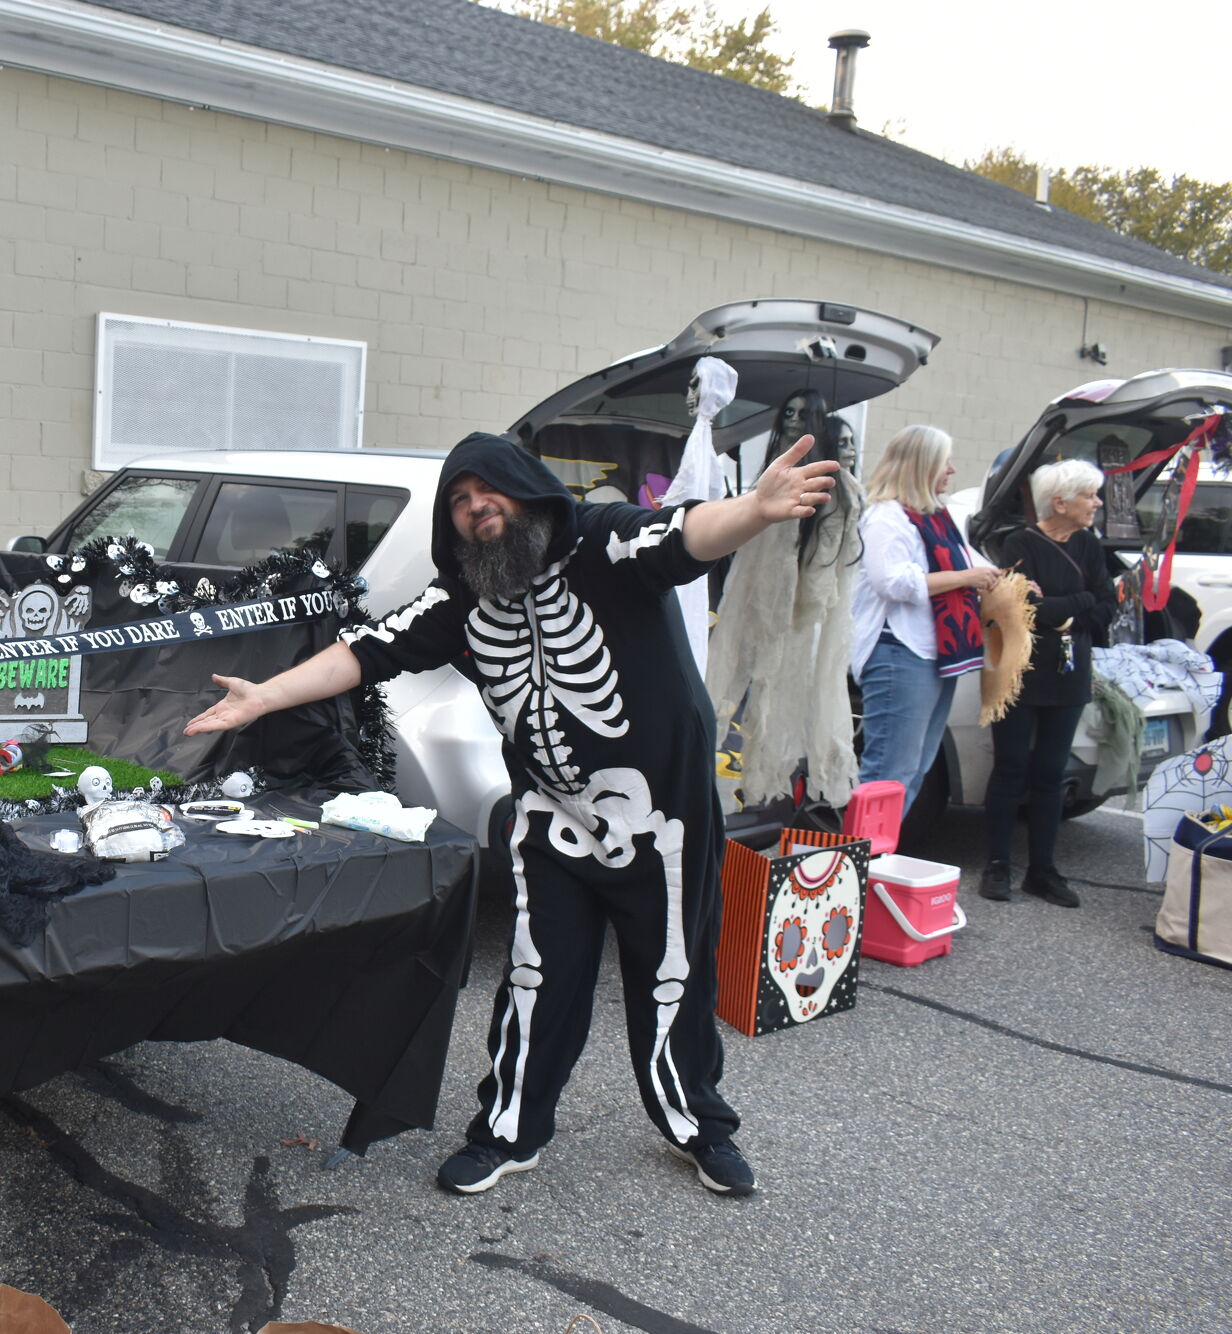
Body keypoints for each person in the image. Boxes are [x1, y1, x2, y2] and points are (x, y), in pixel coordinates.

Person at [186, 428, 840, 1198]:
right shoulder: (465, 595)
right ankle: (508, 1129)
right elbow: (367, 650)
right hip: (550, 816)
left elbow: (686, 532)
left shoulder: (603, 542)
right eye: (459, 502)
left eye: (486, 489)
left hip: (658, 815)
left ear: (525, 486)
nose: (474, 508)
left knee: (674, 971)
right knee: (535, 974)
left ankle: (697, 1120)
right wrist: (264, 695)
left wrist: (755, 510)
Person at [980, 459, 1117, 906]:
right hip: (1020, 673)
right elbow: (1021, 611)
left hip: (1069, 673)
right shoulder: (1020, 542)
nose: (1096, 502)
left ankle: (1043, 870)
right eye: (1089, 495)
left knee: (1050, 774)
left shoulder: (1088, 544)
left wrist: (1064, 607)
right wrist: (1078, 606)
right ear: (1059, 501)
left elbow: (1105, 605)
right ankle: (997, 865)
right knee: (1011, 767)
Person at [851, 426, 999, 817]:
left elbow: (972, 562)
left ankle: (879, 860)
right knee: (887, 774)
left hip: (934, 655)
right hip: (899, 652)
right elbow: (893, 582)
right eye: (944, 462)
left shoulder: (937, 516)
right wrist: (968, 579)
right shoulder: (886, 517)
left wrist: (1010, 581)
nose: (951, 470)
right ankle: (861, 869)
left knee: (913, 772)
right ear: (922, 465)